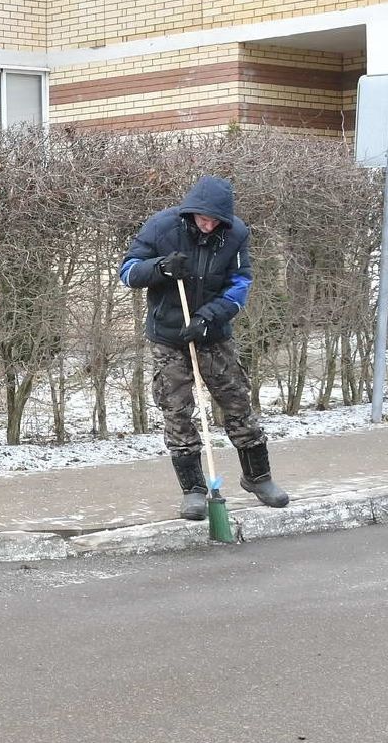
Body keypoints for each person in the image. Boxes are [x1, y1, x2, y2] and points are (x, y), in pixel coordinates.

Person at [120, 176, 289, 520]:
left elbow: (240, 285)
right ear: (190, 213)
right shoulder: (162, 227)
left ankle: (258, 477)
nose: (208, 226)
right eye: (202, 219)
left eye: (214, 221)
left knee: (238, 402)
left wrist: (207, 318)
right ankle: (194, 491)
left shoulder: (236, 234)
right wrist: (161, 268)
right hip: (168, 336)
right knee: (177, 411)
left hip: (213, 334)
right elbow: (128, 272)